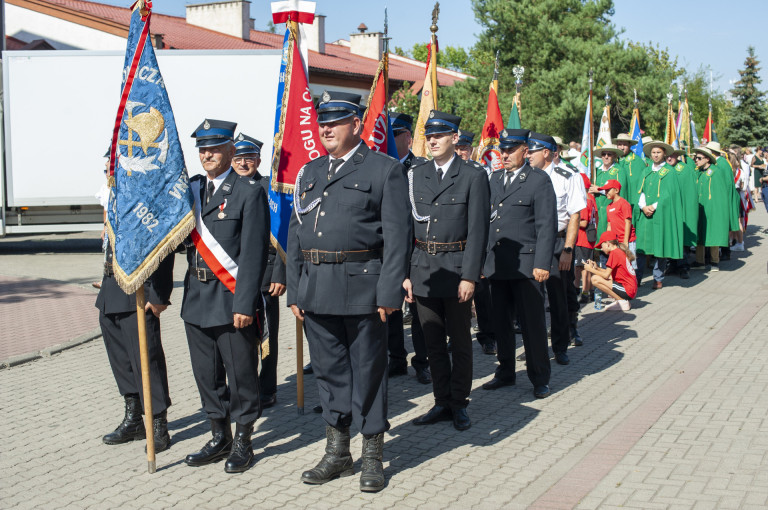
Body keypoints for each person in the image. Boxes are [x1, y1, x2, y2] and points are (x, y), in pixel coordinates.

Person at [286, 91, 411, 492]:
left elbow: (397, 237)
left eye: (336, 121)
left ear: (356, 124)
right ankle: (338, 452)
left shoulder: (383, 169)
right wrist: (295, 289)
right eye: (322, 121)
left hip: (363, 289)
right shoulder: (309, 172)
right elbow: (296, 232)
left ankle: (373, 454)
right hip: (316, 289)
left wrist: (389, 292)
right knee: (329, 374)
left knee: (369, 374)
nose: (326, 128)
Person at [182, 119, 270, 474]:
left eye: (214, 147)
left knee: (242, 373)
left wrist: (245, 303)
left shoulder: (248, 192)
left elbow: (253, 253)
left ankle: (243, 438)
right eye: (202, 148)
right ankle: (218, 434)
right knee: (206, 374)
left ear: (231, 150)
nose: (207, 154)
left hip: (231, 297)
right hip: (196, 297)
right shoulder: (190, 190)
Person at [405, 110, 490, 432]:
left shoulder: (473, 175)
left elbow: (478, 230)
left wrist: (470, 275)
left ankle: (458, 403)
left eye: (440, 135)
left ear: (455, 138)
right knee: (432, 343)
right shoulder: (416, 174)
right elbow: (405, 228)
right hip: (423, 270)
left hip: (456, 271)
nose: (433, 141)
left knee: (460, 342)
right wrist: (405, 273)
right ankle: (440, 401)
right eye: (429, 136)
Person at [480, 129, 557, 398]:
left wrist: (542, 263)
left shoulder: (538, 181)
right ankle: (506, 371)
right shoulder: (494, 178)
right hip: (498, 265)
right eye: (503, 150)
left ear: (525, 151)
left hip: (527, 267)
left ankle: (539, 377)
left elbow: (547, 226)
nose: (504, 154)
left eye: (511, 150)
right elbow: (484, 222)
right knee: (500, 323)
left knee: (532, 324)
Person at [96, 240, 174, 453]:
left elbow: (163, 242)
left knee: (147, 360)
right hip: (112, 286)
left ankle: (159, 424)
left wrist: (159, 294)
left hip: (139, 290)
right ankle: (134, 419)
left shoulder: (147, 205)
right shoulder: (115, 205)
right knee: (120, 359)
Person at [231, 133, 286, 409]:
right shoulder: (225, 190)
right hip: (230, 277)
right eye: (238, 158)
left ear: (259, 160)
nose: (243, 163)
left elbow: (282, 235)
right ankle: (243, 388)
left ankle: (266, 388)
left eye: (249, 158)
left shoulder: (269, 189)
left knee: (266, 336)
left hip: (265, 276)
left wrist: (280, 271)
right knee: (236, 338)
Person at [528, 132, 586, 363]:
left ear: (546, 153)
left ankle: (560, 346)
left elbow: (574, 215)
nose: (527, 154)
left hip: (557, 242)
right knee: (532, 297)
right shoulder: (527, 175)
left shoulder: (568, 175)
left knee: (558, 298)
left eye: (532, 151)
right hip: (531, 241)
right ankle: (535, 346)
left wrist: (568, 250)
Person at [386, 112, 431, 384]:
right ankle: (396, 359)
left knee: (419, 312)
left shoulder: (421, 168)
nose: (388, 140)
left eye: (393, 135)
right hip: (390, 250)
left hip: (416, 250)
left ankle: (422, 362)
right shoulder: (380, 167)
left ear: (407, 137)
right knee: (390, 308)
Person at [455, 129, 496, 356]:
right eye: (458, 147)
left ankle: (488, 336)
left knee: (481, 293)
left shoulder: (482, 172)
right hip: (454, 242)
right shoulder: (447, 171)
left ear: (471, 150)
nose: (461, 152)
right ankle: (456, 335)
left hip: (478, 239)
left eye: (464, 148)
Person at [633, 141, 683, 289]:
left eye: (658, 152)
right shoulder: (646, 171)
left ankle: (658, 277)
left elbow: (669, 194)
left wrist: (654, 206)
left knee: (660, 247)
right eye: (653, 152)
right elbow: (640, 190)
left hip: (661, 213)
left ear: (664, 154)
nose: (655, 155)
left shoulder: (669, 171)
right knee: (641, 248)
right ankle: (637, 278)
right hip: (645, 214)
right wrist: (643, 206)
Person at [691, 147, 730, 272]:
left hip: (713, 207)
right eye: (695, 158)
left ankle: (714, 261)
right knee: (700, 233)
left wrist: (719, 208)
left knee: (713, 233)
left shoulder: (715, 172)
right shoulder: (699, 172)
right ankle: (700, 261)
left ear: (707, 159)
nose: (696, 160)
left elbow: (720, 192)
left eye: (699, 158)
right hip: (700, 207)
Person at [583, 231, 637, 311]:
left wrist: (590, 269)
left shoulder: (614, 253)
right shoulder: (618, 251)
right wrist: (596, 268)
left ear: (608, 244)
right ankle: (621, 300)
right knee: (599, 278)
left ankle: (622, 301)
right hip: (630, 289)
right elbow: (608, 273)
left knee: (595, 279)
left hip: (628, 290)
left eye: (602, 245)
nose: (601, 248)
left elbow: (606, 275)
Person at [667, 149, 698, 278]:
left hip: (682, 210)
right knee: (670, 239)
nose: (669, 158)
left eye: (672, 155)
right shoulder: (664, 170)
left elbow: (690, 193)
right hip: (669, 210)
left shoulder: (684, 170)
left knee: (682, 240)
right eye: (667, 156)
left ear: (677, 156)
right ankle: (672, 265)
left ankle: (683, 267)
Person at [589, 144, 627, 240]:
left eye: (609, 154)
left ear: (614, 156)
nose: (606, 157)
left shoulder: (619, 171)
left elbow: (620, 191)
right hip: (598, 211)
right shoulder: (597, 171)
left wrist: (600, 190)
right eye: (604, 154)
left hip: (611, 210)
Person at [599, 179, 636, 267]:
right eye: (605, 190)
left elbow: (628, 222)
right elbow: (609, 225)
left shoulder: (624, 203)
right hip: (616, 242)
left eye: (608, 190)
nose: (606, 192)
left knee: (630, 266)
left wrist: (625, 242)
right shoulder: (609, 206)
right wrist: (609, 241)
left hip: (627, 241)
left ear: (616, 190)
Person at [575, 173, 597, 308]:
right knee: (582, 267)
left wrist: (570, 223)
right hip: (589, 237)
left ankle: (585, 292)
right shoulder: (591, 198)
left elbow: (583, 222)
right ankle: (588, 291)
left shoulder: (583, 200)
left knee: (583, 267)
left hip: (583, 239)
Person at [614, 133, 647, 206]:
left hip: (632, 202)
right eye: (619, 144)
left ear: (630, 145)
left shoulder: (637, 162)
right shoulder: (614, 161)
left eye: (625, 144)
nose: (622, 147)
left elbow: (643, 185)